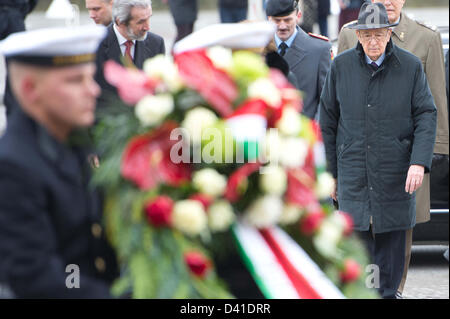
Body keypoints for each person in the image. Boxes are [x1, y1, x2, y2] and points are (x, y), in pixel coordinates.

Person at [319, 2, 437, 299]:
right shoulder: (341, 66)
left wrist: (418, 163)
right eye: (367, 35)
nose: (373, 42)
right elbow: (327, 122)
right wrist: (331, 175)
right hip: (353, 180)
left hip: (394, 179)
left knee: (389, 273)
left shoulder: (409, 66)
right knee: (359, 269)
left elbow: (426, 114)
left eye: (379, 35)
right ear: (358, 36)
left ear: (389, 34)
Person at [0, 25, 119, 298]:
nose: (93, 91)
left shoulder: (72, 139)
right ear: (30, 90)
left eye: (91, 78)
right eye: (75, 81)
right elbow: (42, 279)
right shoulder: (13, 166)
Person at [265, 0, 332, 120]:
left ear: (298, 16)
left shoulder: (319, 50)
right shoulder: (260, 49)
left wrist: (314, 131)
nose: (282, 26)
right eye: (277, 21)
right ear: (269, 19)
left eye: (287, 20)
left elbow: (326, 101)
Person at [95, 0, 165, 106]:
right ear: (120, 22)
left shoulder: (156, 44)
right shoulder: (96, 45)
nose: (147, 27)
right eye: (141, 22)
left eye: (149, 18)